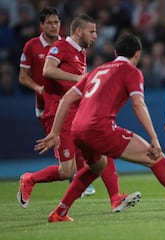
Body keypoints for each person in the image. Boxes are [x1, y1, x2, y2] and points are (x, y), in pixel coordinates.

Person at [34, 33, 165, 222]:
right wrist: (154, 137)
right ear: (137, 54)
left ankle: (59, 212)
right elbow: (138, 104)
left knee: (97, 166)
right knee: (155, 157)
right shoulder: (131, 71)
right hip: (99, 128)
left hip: (77, 130)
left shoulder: (97, 70)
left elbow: (66, 99)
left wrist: (55, 132)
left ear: (116, 52)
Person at [18, 13, 138, 213]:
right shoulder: (60, 47)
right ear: (79, 31)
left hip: (78, 114)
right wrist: (80, 78)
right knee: (67, 171)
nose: (95, 36)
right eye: (92, 31)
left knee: (102, 152)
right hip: (60, 114)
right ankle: (30, 179)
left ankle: (115, 199)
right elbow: (48, 70)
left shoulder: (79, 52)